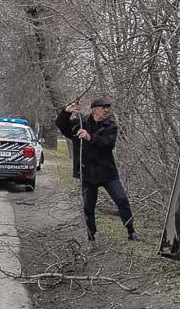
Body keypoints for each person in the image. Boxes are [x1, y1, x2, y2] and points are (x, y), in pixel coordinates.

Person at [55, 97, 138, 245]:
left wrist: (90, 137)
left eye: (108, 108)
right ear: (94, 110)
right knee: (88, 207)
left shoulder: (110, 126)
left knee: (122, 200)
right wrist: (66, 112)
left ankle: (131, 231)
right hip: (87, 174)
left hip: (107, 173)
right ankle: (91, 237)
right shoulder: (80, 124)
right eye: (103, 107)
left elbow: (108, 144)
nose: (106, 110)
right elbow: (62, 126)